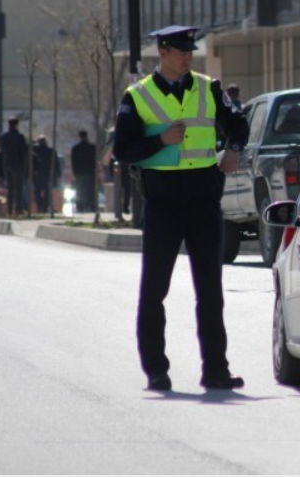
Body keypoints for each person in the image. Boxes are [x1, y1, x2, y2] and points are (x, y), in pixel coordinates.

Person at [112, 25, 249, 392]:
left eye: (191, 50)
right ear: (163, 52)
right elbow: (122, 151)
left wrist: (233, 149)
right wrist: (160, 140)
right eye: (180, 51)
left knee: (211, 291)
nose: (188, 56)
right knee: (154, 290)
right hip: (163, 203)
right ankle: (156, 370)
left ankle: (216, 370)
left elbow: (238, 122)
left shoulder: (208, 87)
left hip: (204, 199)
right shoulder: (137, 96)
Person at [0, 118, 29, 216]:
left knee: (10, 188)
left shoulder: (4, 137)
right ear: (17, 125)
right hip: (18, 165)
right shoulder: (19, 137)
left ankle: (9, 209)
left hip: (7, 164)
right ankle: (18, 209)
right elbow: (24, 151)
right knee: (18, 188)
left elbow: (2, 151)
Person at [32, 136, 60, 214]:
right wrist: (57, 175)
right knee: (47, 192)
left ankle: (40, 206)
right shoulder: (51, 151)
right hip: (48, 174)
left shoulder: (35, 150)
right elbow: (56, 164)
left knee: (37, 192)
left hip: (38, 174)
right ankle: (44, 207)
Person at [71, 130, 97, 213]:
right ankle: (89, 205)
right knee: (89, 189)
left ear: (79, 136)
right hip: (89, 172)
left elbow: (73, 162)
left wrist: (74, 172)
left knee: (79, 190)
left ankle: (80, 206)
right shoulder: (92, 148)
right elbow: (94, 161)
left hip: (79, 172)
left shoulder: (75, 148)